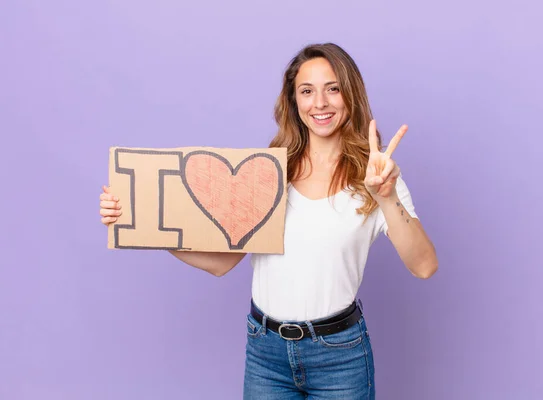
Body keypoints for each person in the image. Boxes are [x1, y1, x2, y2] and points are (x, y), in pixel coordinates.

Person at [99, 42, 437, 399]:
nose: (319, 103)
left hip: (340, 357)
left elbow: (424, 265)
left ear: (350, 94)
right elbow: (221, 262)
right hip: (266, 354)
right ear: (294, 102)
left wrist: (386, 197)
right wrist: (142, 223)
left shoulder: (376, 175)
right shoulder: (271, 171)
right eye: (307, 91)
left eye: (332, 89)